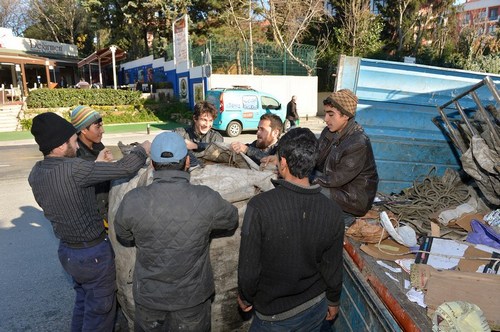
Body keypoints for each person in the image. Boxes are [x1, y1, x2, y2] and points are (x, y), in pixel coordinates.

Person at [28, 112, 150, 332]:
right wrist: (143, 149)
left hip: (68, 253)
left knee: (84, 304)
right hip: (92, 255)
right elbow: (124, 168)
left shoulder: (36, 173)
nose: (76, 147)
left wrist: (94, 166)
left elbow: (68, 190)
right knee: (100, 314)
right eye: (72, 142)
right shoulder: (74, 169)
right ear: (58, 146)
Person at [114, 132, 239, 332]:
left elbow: (124, 235)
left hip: (149, 300)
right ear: (187, 162)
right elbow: (231, 219)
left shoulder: (132, 200)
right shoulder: (206, 198)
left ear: (152, 164)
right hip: (192, 300)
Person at [237, 127, 344, 331]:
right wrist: (333, 301)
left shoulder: (259, 207)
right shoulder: (332, 211)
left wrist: (245, 295)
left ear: (283, 163)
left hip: (273, 316)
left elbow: (249, 267)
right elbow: (333, 267)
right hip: (314, 307)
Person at [314, 89, 379, 227]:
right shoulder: (330, 131)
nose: (326, 119)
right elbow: (315, 157)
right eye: (325, 113)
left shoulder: (358, 142)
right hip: (337, 187)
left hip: (353, 199)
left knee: (308, 189)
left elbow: (335, 179)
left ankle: (344, 217)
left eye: (331, 114)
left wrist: (305, 179)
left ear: (346, 116)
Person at [70, 105, 113, 223]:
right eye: (97, 127)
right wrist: (97, 167)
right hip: (91, 219)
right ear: (83, 130)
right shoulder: (76, 157)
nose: (102, 130)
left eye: (102, 126)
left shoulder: (99, 147)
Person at [174, 101, 223, 168]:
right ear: (195, 118)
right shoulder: (181, 133)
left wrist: (196, 146)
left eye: (210, 120)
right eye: (204, 120)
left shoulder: (216, 137)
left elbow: (220, 153)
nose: (207, 125)